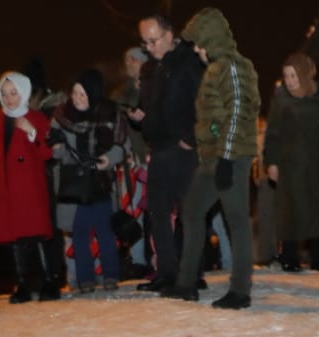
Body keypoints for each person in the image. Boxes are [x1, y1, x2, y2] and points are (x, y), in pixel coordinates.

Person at [158, 7, 260, 310]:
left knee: (237, 219)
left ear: (213, 39)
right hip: (213, 157)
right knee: (191, 212)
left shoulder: (233, 65)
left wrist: (228, 157)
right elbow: (214, 116)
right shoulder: (215, 69)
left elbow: (238, 110)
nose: (199, 50)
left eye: (201, 44)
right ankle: (186, 283)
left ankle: (240, 290)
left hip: (231, 156)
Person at [131, 14, 204, 292]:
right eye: (145, 42)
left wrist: (192, 137)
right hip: (159, 149)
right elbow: (147, 105)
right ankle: (166, 273)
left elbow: (205, 105)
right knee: (157, 212)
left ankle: (192, 273)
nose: (150, 47)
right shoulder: (149, 69)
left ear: (170, 34)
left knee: (189, 213)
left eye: (154, 40)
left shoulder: (190, 62)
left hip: (185, 150)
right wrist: (139, 117)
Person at [0, 71, 60, 303]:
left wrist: (31, 132)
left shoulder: (36, 118)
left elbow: (47, 153)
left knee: (36, 236)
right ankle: (21, 284)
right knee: (13, 240)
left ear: (23, 93)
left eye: (13, 93)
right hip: (2, 188)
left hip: (28, 188)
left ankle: (48, 281)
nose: (9, 98)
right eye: (4, 93)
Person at [262, 53, 319, 272]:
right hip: (290, 161)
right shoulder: (281, 97)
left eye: (293, 75)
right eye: (286, 76)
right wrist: (271, 162)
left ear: (305, 74)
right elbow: (273, 133)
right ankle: (289, 256)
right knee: (292, 210)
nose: (289, 81)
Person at [50, 69, 128, 294]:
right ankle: (85, 279)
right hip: (74, 184)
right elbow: (54, 145)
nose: (77, 99)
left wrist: (109, 159)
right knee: (79, 232)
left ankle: (110, 275)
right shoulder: (61, 116)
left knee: (105, 231)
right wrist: (58, 150)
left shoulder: (109, 113)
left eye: (83, 94)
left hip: (100, 181)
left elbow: (122, 145)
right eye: (75, 93)